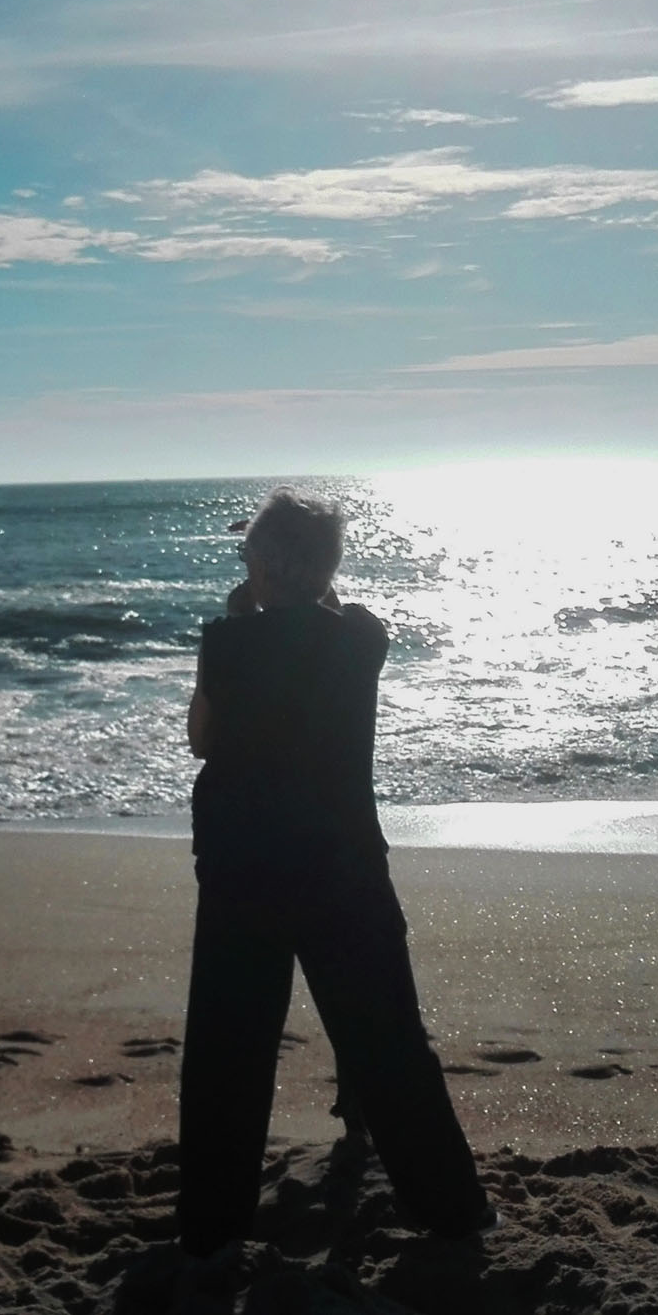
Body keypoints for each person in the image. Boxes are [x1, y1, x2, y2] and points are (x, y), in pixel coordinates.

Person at [176, 487, 493, 1257]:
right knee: (387, 1041)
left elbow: (201, 739)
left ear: (262, 563)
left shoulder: (228, 640)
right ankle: (451, 1212)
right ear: (327, 567)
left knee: (230, 1048)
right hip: (341, 860)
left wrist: (242, 610)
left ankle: (213, 1230)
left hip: (244, 861)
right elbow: (330, 612)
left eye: (250, 553)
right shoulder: (362, 638)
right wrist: (291, 574)